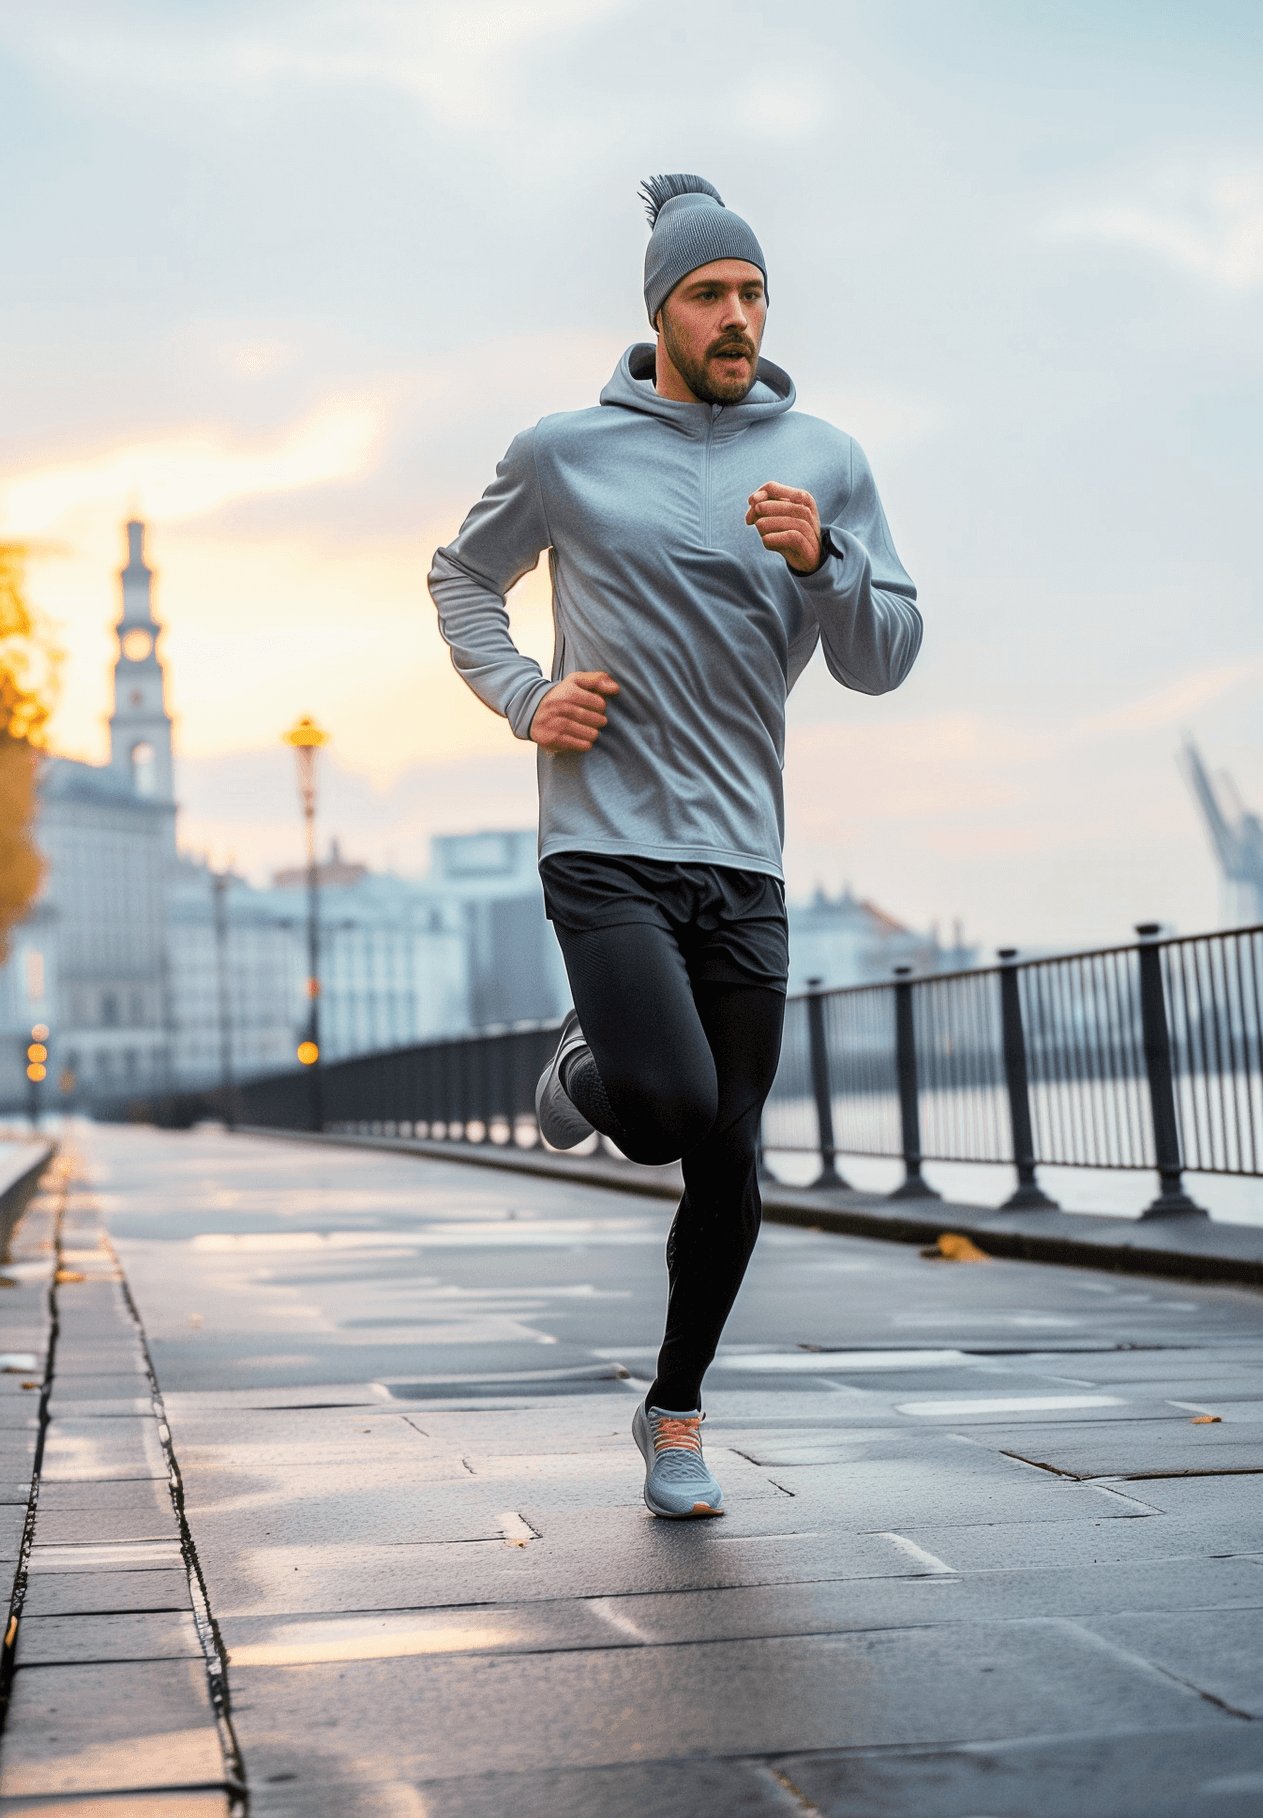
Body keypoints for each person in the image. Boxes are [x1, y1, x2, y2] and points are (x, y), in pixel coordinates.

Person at [427, 174, 922, 1518]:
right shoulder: (565, 449)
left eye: (754, 292)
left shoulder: (822, 459)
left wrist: (828, 563)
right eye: (711, 294)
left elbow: (887, 655)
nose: (737, 316)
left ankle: (677, 1412)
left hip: (745, 856)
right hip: (603, 840)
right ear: (660, 311)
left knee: (731, 1153)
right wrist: (529, 697)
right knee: (667, 1108)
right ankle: (597, 1074)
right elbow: (462, 578)